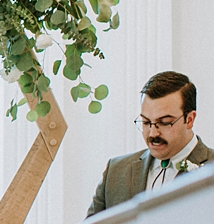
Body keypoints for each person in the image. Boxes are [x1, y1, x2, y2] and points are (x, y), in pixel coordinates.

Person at [87, 70, 211, 216]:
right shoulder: (116, 172)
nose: (153, 133)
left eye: (165, 123)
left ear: (189, 119)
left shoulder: (211, 165)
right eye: (146, 122)